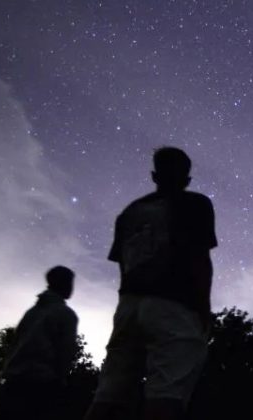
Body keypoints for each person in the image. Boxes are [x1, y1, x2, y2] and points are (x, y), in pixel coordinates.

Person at [86, 147, 217, 420]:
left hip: (129, 306)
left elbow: (123, 265)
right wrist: (204, 309)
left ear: (154, 175)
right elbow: (199, 258)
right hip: (174, 306)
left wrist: (126, 304)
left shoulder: (130, 212)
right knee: (167, 394)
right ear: (187, 178)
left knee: (110, 394)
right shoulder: (196, 204)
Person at [0, 265, 78, 420]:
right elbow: (66, 352)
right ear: (63, 283)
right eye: (70, 282)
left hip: (13, 383)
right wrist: (61, 381)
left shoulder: (32, 312)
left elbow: (15, 343)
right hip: (41, 384)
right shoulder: (66, 314)